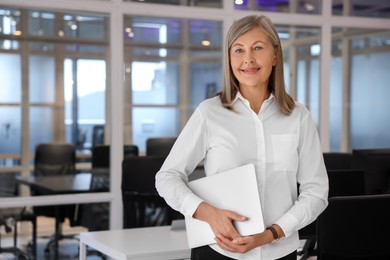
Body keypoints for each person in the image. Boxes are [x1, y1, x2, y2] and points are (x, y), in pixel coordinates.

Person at [155, 14, 328, 260]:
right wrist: (206, 212)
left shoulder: (298, 117)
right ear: (229, 58)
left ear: (275, 56)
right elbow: (167, 177)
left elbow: (316, 192)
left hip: (279, 252)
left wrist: (272, 233)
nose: (248, 59)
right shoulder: (209, 113)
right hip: (218, 251)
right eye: (238, 50)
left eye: (258, 48)